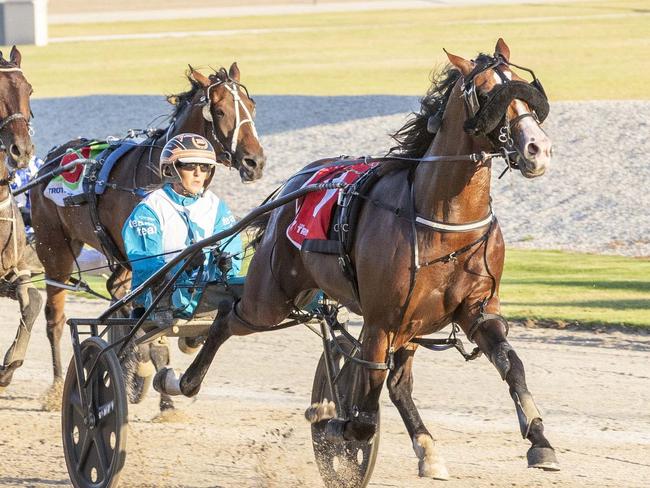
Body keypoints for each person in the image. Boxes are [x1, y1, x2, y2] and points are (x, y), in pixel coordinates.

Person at [122, 133, 242, 318]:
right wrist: (184, 267)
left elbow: (232, 246)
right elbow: (146, 263)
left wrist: (226, 262)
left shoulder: (216, 205)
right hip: (161, 297)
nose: (198, 173)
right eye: (189, 166)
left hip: (207, 293)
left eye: (204, 167)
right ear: (171, 170)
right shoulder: (150, 208)